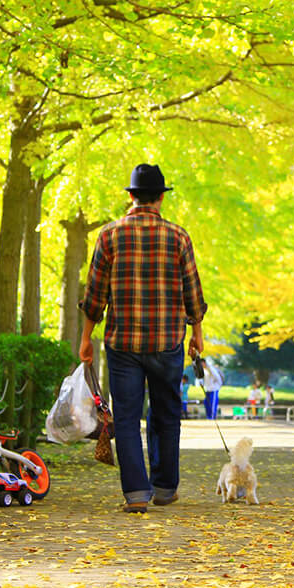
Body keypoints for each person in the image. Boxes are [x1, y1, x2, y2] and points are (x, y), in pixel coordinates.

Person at [78, 163, 207, 513]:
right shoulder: (179, 237)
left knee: (126, 417)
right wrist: (197, 333)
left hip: (123, 344)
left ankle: (136, 493)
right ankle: (164, 487)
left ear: (131, 196)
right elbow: (192, 293)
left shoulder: (109, 235)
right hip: (167, 342)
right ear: (161, 198)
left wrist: (86, 337)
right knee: (166, 414)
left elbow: (95, 295)